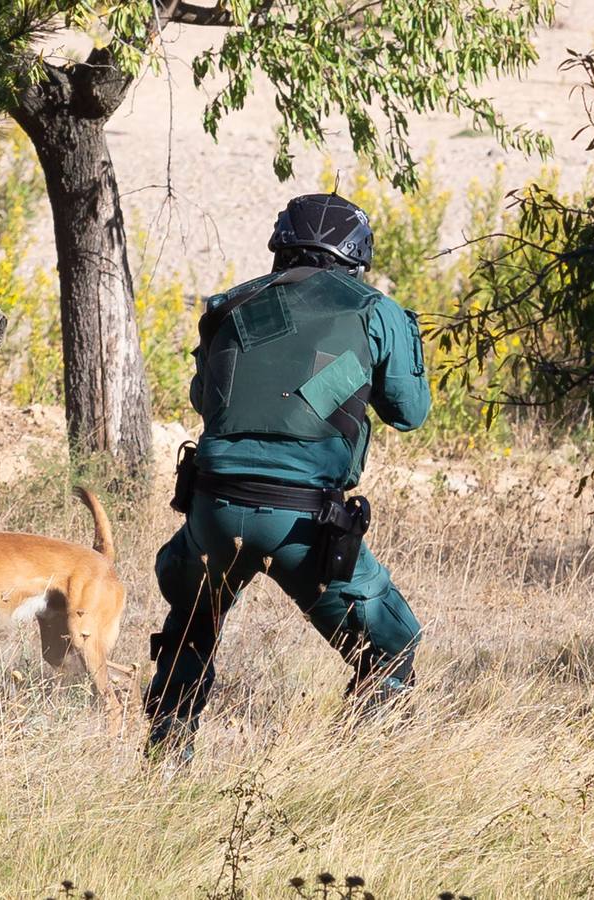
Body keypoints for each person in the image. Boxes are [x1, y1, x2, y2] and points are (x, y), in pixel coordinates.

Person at [145, 193, 432, 760]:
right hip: (306, 520)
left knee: (189, 633)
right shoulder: (377, 311)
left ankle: (163, 770)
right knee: (392, 645)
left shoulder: (229, 306)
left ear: (281, 244)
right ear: (355, 256)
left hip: (212, 507)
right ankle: (359, 778)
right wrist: (339, 383)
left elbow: (207, 400)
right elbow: (409, 411)